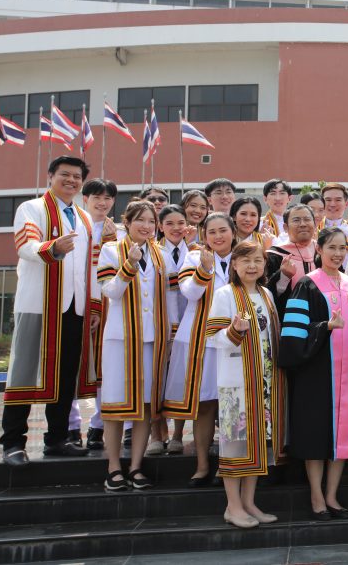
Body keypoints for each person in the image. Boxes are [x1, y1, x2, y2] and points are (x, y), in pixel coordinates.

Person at [1, 156, 94, 466]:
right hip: (39, 305)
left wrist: (93, 307)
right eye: (64, 174)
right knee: (24, 372)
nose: (71, 180)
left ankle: (57, 439)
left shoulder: (83, 217)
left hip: (73, 308)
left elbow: (89, 266)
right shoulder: (32, 208)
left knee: (66, 376)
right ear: (51, 176)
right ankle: (13, 443)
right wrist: (52, 248)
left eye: (77, 176)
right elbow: (25, 246)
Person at [279, 228, 348, 519]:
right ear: (319, 249)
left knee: (344, 434)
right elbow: (294, 334)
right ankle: (317, 496)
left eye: (343, 248)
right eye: (332, 247)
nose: (338, 253)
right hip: (317, 374)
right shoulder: (307, 284)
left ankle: (332, 494)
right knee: (316, 434)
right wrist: (324, 328)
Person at [207, 240, 287, 528]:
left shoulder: (266, 294)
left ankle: (249, 502)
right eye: (246, 261)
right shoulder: (225, 294)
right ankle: (233, 506)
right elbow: (212, 337)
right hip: (237, 382)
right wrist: (233, 330)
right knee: (235, 444)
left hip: (264, 380)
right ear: (235, 265)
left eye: (258, 261)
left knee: (257, 443)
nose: (252, 266)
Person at [97, 201, 169, 492]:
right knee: (115, 404)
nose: (146, 226)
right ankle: (113, 467)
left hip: (152, 339)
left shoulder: (161, 254)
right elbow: (110, 291)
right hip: (122, 339)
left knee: (146, 405)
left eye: (151, 221)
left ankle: (136, 466)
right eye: (140, 220)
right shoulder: (111, 250)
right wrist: (128, 266)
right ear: (126, 222)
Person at [161, 212, 236, 486]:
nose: (217, 236)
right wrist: (204, 270)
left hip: (235, 340)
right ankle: (202, 464)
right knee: (204, 405)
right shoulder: (194, 257)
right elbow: (190, 293)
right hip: (200, 340)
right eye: (211, 232)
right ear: (204, 235)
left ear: (232, 232)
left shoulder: (243, 257)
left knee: (231, 404)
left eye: (222, 230)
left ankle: (228, 464)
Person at [68, 177, 118, 450]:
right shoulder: (73, 228)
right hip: (75, 304)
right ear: (84, 199)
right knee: (71, 365)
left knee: (104, 368)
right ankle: (70, 426)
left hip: (110, 309)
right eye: (97, 197)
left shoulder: (119, 233)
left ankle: (98, 426)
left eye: (108, 198)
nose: (102, 202)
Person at [157, 204, 190, 456]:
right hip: (159, 325)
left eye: (180, 223)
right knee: (157, 380)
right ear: (160, 226)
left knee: (181, 379)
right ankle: (157, 435)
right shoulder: (152, 252)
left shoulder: (197, 251)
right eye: (169, 223)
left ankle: (178, 434)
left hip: (189, 325)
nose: (176, 228)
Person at [264, 204, 317, 315]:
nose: (303, 224)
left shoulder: (323, 252)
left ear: (315, 224)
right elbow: (267, 294)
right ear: (285, 227)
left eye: (307, 219)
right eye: (296, 220)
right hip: (290, 317)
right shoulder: (275, 255)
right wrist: (283, 276)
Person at [318, 183, 348, 248]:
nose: (332, 204)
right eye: (328, 200)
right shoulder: (315, 227)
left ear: (346, 204)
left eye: (338, 200)